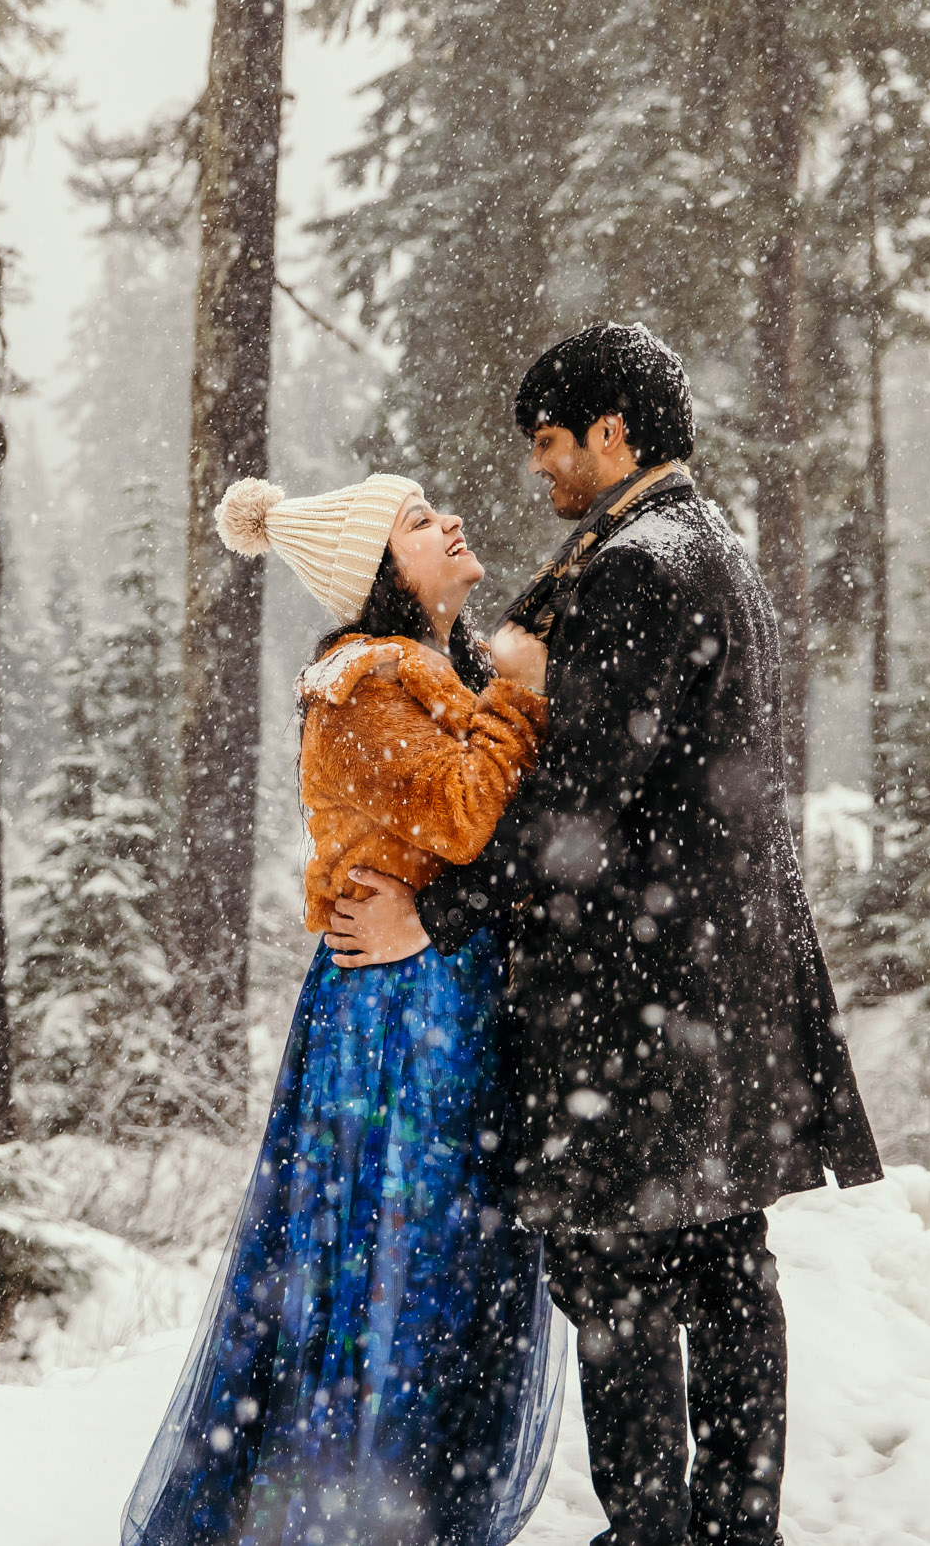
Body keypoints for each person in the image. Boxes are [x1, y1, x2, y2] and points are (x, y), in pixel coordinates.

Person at [326, 324, 884, 1546]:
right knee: (725, 1265)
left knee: (622, 1272)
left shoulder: (642, 565)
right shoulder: (699, 549)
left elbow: (576, 792)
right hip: (713, 977)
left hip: (643, 992)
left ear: (613, 432)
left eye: (548, 442)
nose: (536, 468)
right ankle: (735, 1528)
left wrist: (436, 909)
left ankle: (653, 1531)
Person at [124, 471, 567, 1546]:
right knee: (392, 1269)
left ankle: (406, 1509)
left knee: (440, 1264)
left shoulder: (432, 670)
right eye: (417, 520)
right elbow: (466, 817)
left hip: (438, 994)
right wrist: (521, 689)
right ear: (377, 569)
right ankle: (353, 1516)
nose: (449, 520)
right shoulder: (362, 684)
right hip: (395, 1025)